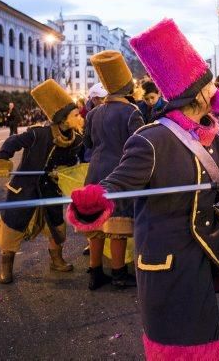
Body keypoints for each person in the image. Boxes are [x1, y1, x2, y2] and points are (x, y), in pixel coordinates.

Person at [69, 18, 219, 359]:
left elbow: (215, 188)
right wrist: (91, 202)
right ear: (199, 94)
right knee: (178, 343)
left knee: (204, 333)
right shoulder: (151, 140)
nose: (217, 91)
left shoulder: (209, 136)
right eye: (210, 86)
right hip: (167, 262)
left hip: (202, 254)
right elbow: (115, 187)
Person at [0, 79, 84, 284]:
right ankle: (6, 267)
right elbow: (12, 141)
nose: (80, 118)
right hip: (25, 188)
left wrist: (63, 173)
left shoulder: (77, 140)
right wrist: (2, 160)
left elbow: (74, 163)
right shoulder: (38, 133)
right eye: (75, 115)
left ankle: (56, 260)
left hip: (51, 189)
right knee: (12, 227)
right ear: (62, 118)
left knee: (56, 226)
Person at [83, 50, 145, 290]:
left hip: (94, 172)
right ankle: (118, 273)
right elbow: (139, 144)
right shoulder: (132, 112)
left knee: (96, 225)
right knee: (117, 226)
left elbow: (87, 144)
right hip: (119, 173)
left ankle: (95, 272)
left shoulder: (94, 113)